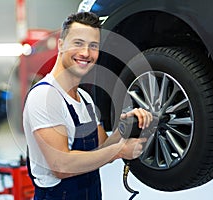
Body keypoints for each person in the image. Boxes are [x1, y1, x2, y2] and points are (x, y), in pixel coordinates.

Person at [23, 12, 153, 200]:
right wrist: (119, 151)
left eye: (93, 46)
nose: (85, 53)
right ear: (61, 45)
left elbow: (100, 150)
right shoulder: (44, 96)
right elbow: (61, 166)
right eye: (78, 43)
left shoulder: (85, 99)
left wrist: (123, 128)